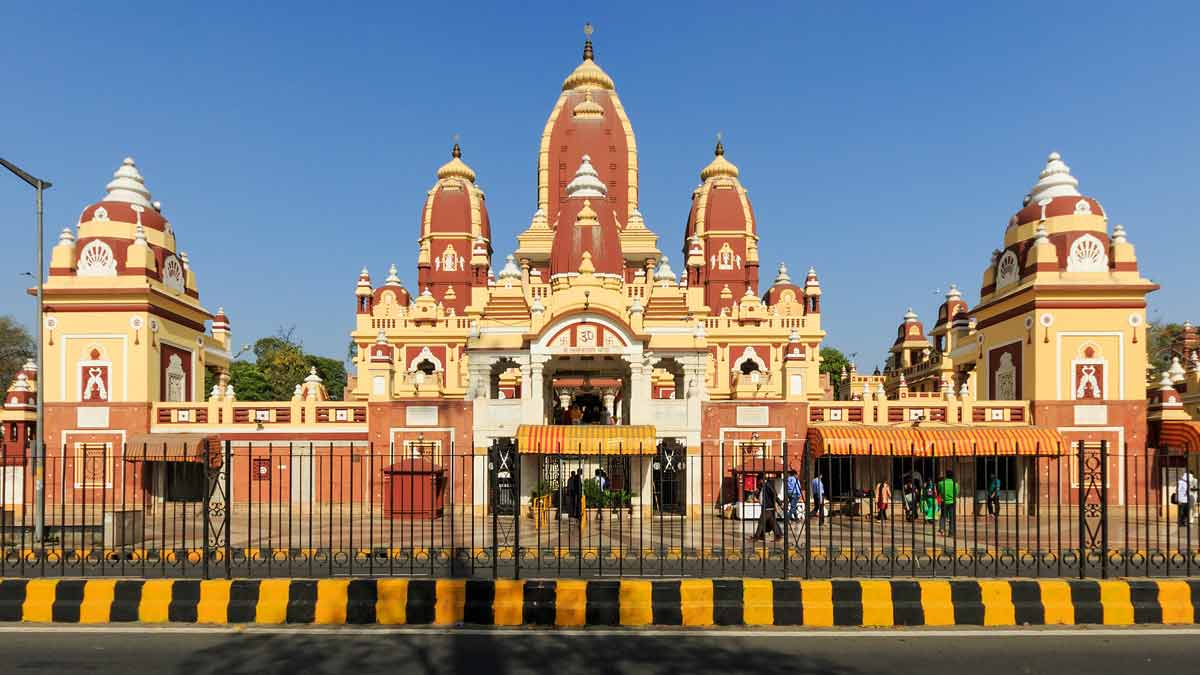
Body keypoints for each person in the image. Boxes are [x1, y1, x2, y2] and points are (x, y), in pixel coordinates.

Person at [751, 475, 783, 542]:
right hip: (766, 507)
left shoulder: (767, 485)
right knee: (772, 522)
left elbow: (774, 494)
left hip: (768, 507)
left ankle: (757, 537)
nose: (758, 482)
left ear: (761, 480)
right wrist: (756, 493)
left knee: (761, 522)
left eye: (759, 480)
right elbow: (761, 496)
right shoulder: (762, 487)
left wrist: (779, 503)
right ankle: (777, 535)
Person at [938, 470, 958, 536]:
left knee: (943, 516)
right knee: (952, 517)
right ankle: (951, 533)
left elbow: (940, 492)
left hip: (944, 502)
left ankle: (942, 528)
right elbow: (956, 493)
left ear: (946, 475)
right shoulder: (955, 484)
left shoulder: (941, 483)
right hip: (952, 502)